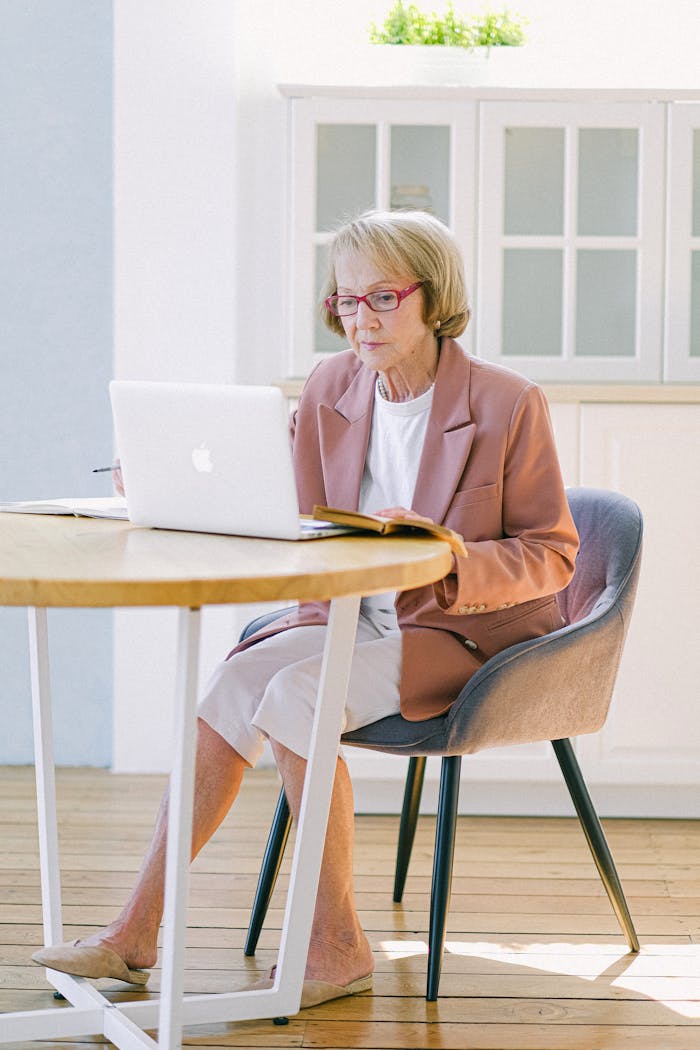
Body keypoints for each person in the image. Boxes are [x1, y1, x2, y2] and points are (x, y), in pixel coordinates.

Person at [32, 209, 579, 1009]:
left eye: (382, 297)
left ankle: (337, 944)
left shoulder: (506, 403)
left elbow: (553, 551)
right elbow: (277, 484)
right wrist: (160, 477)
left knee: (294, 699)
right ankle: (132, 935)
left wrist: (450, 564)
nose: (360, 319)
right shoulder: (333, 385)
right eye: (345, 301)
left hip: (457, 630)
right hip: (349, 616)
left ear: (436, 299)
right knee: (225, 694)